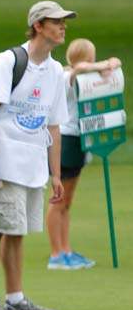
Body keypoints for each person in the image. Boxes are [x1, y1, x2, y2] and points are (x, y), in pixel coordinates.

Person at [0, 1, 73, 310]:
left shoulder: (57, 70)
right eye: (56, 21)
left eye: (64, 22)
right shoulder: (6, 62)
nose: (63, 27)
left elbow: (54, 124)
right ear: (37, 25)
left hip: (34, 164)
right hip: (3, 160)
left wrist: (56, 174)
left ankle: (16, 297)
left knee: (16, 230)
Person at [45, 38, 122, 270]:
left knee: (67, 201)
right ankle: (56, 254)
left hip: (79, 138)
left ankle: (66, 249)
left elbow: (107, 66)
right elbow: (79, 68)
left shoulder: (85, 76)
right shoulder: (67, 75)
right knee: (58, 200)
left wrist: (111, 64)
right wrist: (104, 65)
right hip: (65, 139)